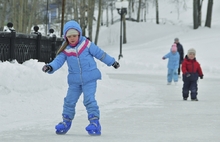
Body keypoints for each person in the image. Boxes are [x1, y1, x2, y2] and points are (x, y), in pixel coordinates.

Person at [42, 20, 120, 135]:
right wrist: (50, 66)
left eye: (74, 35)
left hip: (90, 78)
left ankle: (94, 123)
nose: (72, 38)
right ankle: (66, 122)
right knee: (69, 101)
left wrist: (112, 62)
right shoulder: (65, 50)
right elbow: (58, 61)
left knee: (89, 99)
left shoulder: (86, 44)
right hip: (75, 81)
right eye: (69, 36)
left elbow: (100, 54)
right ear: (66, 37)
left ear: (79, 34)